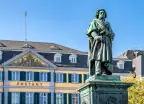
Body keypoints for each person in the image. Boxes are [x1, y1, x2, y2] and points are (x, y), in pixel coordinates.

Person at [86, 9, 115, 76]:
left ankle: (106, 70)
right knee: (98, 56)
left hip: (106, 41)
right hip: (98, 41)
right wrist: (96, 36)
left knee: (106, 57)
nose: (102, 14)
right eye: (100, 13)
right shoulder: (94, 21)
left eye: (103, 13)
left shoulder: (108, 24)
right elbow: (91, 31)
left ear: (105, 15)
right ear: (98, 14)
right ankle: (98, 71)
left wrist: (108, 33)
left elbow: (112, 34)